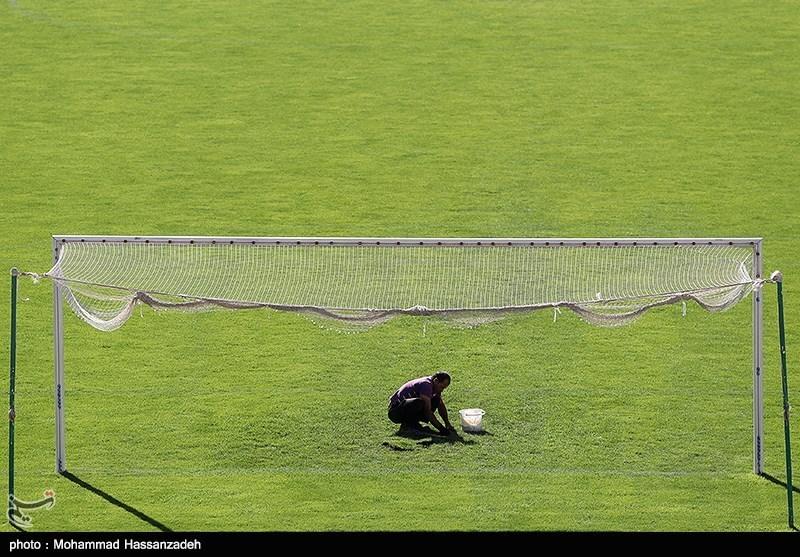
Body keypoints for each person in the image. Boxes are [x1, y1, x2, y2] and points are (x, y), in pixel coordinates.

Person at [387, 371, 455, 436]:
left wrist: (447, 423)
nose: (442, 390)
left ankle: (414, 424)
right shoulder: (426, 385)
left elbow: (441, 405)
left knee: (436, 400)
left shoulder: (434, 385)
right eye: (441, 387)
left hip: (404, 407)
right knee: (419, 403)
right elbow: (427, 411)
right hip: (394, 412)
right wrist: (441, 429)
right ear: (436, 381)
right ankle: (407, 427)